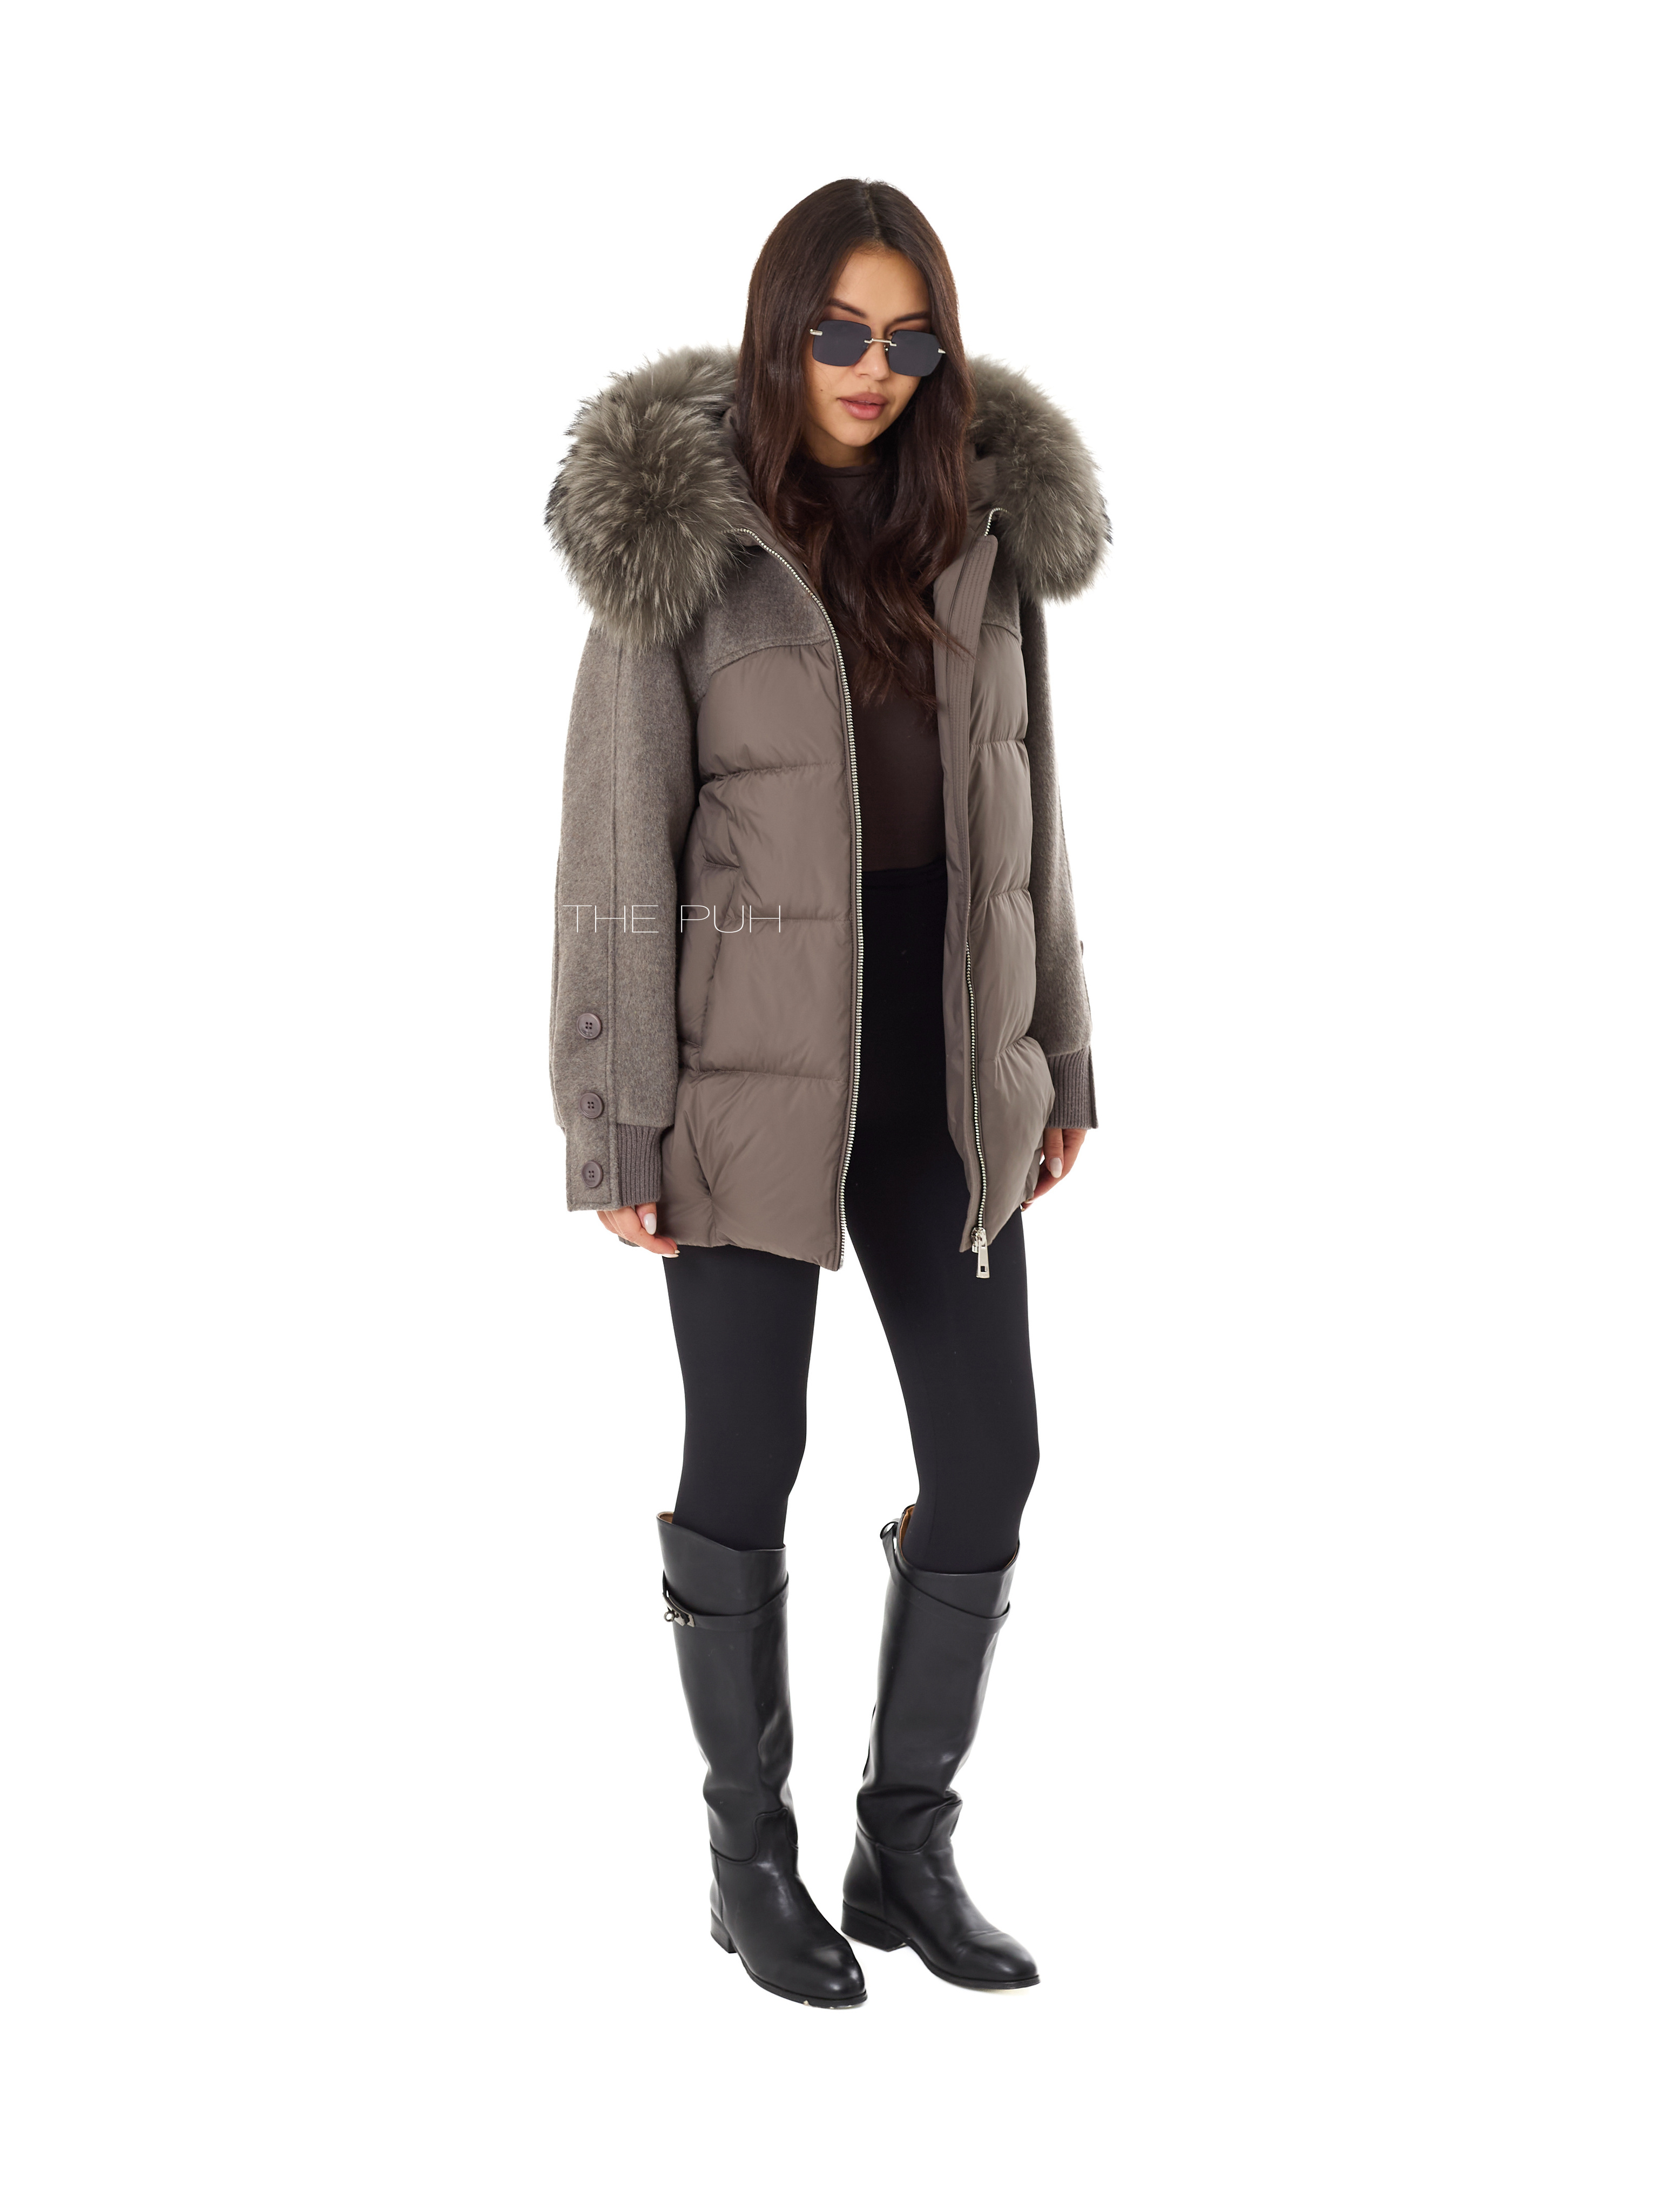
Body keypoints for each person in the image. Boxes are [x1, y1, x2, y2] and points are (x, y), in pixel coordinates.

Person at [544, 178, 1108, 2007]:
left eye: (908, 335)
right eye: (841, 330)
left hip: (948, 1055)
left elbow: (1032, 824)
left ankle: (903, 1845)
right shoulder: (688, 546)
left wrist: (1060, 1053)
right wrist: (615, 1114)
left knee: (992, 1458)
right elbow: (616, 845)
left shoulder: (979, 529)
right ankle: (746, 1860)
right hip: (747, 1061)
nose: (874, 366)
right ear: (782, 327)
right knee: (745, 1458)